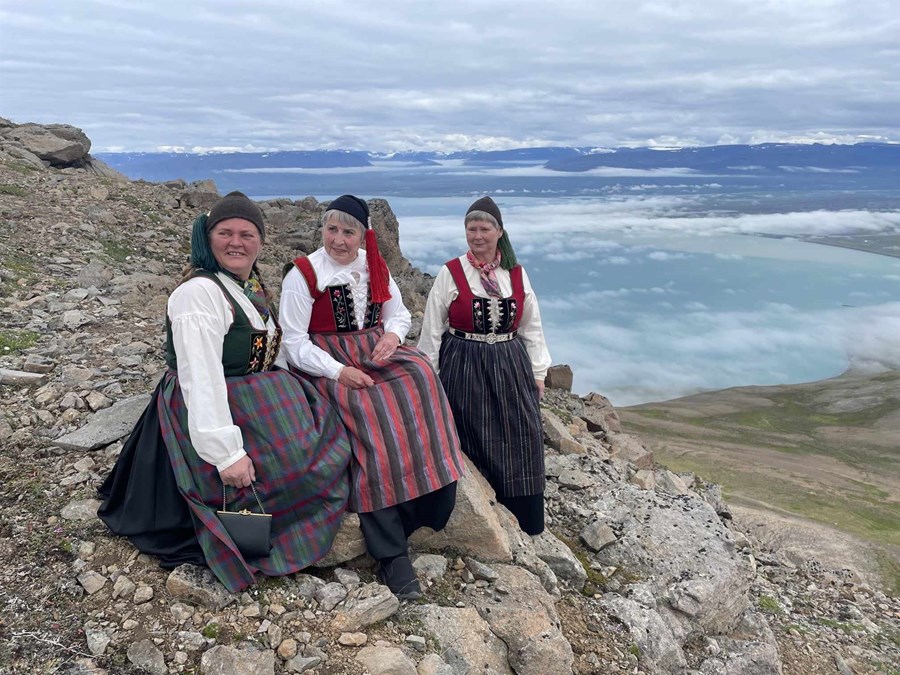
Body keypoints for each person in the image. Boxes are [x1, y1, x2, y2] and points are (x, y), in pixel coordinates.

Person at [98, 191, 352, 593]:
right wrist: (227, 453)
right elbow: (201, 377)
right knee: (281, 472)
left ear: (261, 243)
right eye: (225, 233)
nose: (236, 242)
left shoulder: (246, 286)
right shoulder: (198, 294)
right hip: (214, 408)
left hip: (255, 396)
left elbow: (270, 349)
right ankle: (259, 528)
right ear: (208, 237)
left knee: (324, 443)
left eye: (247, 234)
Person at [279, 194, 465, 600]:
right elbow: (294, 344)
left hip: (374, 352)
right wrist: (338, 370)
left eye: (348, 231)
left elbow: (397, 313)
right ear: (322, 229)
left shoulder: (373, 266)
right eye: (332, 229)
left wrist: (394, 336)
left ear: (362, 235)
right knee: (369, 411)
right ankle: (390, 551)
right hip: (324, 363)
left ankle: (432, 497)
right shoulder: (304, 274)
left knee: (421, 378)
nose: (339, 240)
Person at [418, 196, 551, 535]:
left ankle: (523, 518)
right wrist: (429, 377)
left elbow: (531, 326)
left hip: (510, 364)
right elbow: (433, 328)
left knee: (522, 433)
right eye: (471, 229)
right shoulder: (451, 273)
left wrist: (538, 372)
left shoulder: (516, 276)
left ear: (499, 232)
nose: (477, 236)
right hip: (463, 364)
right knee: (469, 431)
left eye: (484, 228)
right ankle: (474, 514)